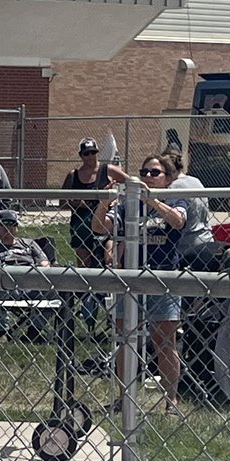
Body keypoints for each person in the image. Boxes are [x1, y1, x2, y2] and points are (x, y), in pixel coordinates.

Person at [93, 152, 188, 415]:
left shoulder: (176, 199)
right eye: (144, 172)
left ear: (167, 178)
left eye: (154, 173)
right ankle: (125, 399)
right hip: (130, 280)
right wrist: (104, 203)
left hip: (163, 279)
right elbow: (100, 227)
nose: (148, 177)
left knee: (164, 342)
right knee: (125, 340)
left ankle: (171, 401)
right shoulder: (128, 204)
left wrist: (151, 200)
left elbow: (178, 221)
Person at [0, 209, 51, 338]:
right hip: (4, 285)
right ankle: (0, 331)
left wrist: (40, 268)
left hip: (30, 285)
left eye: (12, 224)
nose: (8, 228)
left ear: (17, 227)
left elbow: (45, 263)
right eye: (4, 225)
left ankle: (35, 330)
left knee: (54, 292)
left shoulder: (29, 243)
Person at [61, 138, 129, 269]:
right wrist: (79, 204)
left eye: (93, 152)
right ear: (81, 155)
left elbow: (131, 183)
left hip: (105, 222)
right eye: (86, 153)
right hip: (81, 224)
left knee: (110, 261)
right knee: (84, 265)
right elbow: (62, 203)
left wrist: (116, 195)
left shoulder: (108, 170)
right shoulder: (73, 175)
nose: (90, 156)